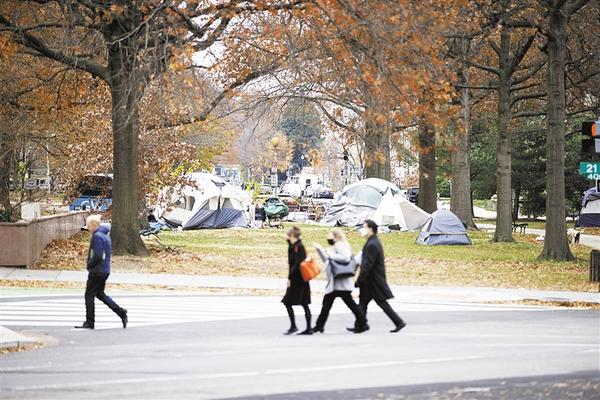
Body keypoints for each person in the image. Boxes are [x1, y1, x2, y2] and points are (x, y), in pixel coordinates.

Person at [349, 219, 406, 333]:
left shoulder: (372, 244)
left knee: (380, 303)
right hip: (371, 280)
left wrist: (359, 280)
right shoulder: (372, 242)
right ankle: (360, 325)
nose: (363, 230)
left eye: (365, 227)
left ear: (371, 229)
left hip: (373, 281)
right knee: (363, 303)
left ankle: (398, 322)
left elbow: (367, 265)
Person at [75, 215, 128, 330]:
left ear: (94, 225)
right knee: (100, 294)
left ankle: (90, 322)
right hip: (104, 270)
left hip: (97, 270)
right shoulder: (105, 236)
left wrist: (90, 264)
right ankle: (121, 312)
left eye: (88, 226)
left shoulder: (97, 236)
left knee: (89, 295)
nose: (88, 228)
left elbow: (98, 255)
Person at [313, 230, 368, 334]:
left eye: (330, 236)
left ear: (335, 237)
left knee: (343, 305)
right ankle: (319, 326)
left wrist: (330, 254)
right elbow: (328, 260)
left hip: (341, 283)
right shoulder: (335, 247)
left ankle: (319, 326)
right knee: (330, 305)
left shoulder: (340, 245)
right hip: (337, 283)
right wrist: (320, 250)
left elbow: (346, 258)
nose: (328, 238)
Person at [281, 226, 312, 335]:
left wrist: (290, 278)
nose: (286, 236)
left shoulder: (299, 247)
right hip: (298, 279)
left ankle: (299, 327)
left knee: (290, 302)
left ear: (292, 235)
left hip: (299, 280)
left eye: (288, 234)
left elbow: (298, 264)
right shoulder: (292, 246)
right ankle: (303, 327)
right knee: (302, 303)